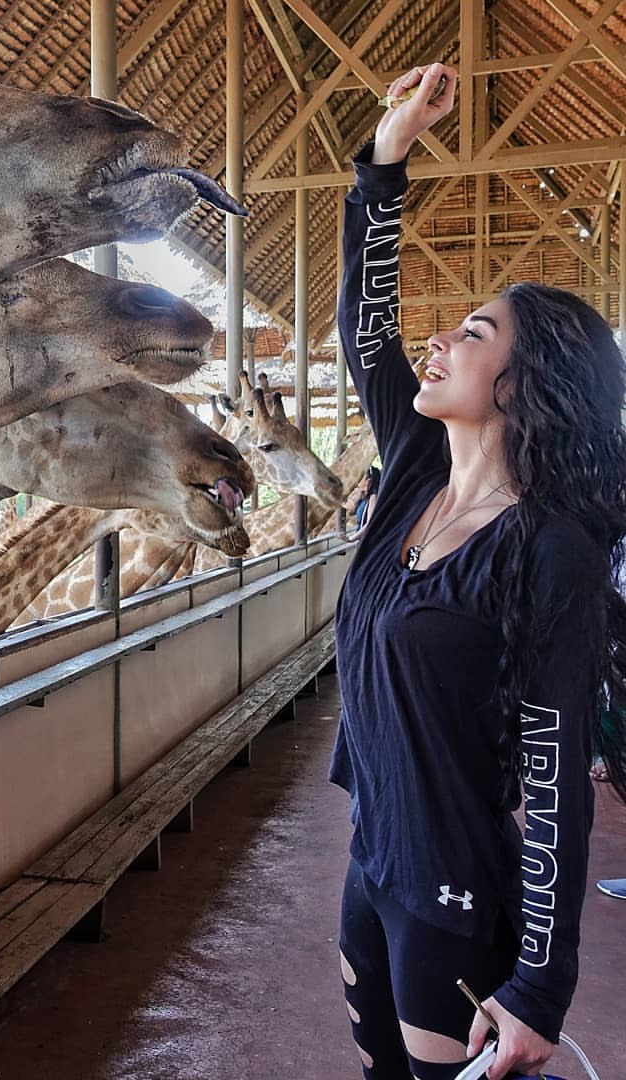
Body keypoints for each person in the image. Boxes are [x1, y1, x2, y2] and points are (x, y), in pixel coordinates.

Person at [330, 62, 626, 1080]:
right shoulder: (414, 474)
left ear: (523, 382)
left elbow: (554, 779)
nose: (440, 338)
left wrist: (541, 985)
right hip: (374, 859)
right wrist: (385, 159)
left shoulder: (549, 552)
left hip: (454, 890)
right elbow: (363, 330)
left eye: (474, 331)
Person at [347, 465, 381, 538]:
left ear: (368, 481)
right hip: (361, 539)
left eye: (361, 477)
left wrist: (352, 538)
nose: (358, 479)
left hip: (366, 540)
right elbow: (351, 511)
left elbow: (370, 523)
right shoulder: (364, 496)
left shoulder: (373, 497)